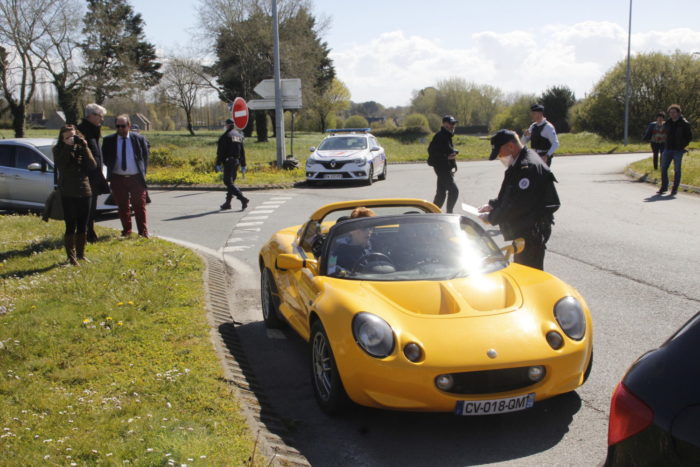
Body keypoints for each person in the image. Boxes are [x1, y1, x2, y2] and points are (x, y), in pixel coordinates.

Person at [477, 129, 560, 270]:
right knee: (522, 268)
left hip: (532, 231)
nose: (499, 156)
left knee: (529, 273)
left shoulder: (526, 167)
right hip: (525, 229)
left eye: (500, 152)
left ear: (510, 146)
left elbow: (518, 204)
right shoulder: (520, 161)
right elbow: (511, 193)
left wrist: (492, 217)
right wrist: (493, 205)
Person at [53, 125, 97, 265]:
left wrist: (84, 146)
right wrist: (67, 147)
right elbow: (61, 165)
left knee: (83, 225)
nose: (71, 139)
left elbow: (92, 165)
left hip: (84, 190)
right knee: (70, 224)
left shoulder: (81, 148)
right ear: (62, 138)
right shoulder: (58, 149)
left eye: (73, 136)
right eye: (67, 137)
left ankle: (81, 254)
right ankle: (71, 257)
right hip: (68, 192)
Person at [102, 114, 151, 238]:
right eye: (117, 126)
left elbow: (144, 157)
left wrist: (142, 173)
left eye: (123, 126)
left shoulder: (139, 139)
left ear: (129, 126)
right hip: (118, 178)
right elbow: (106, 158)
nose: (120, 129)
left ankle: (143, 232)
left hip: (136, 178)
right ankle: (126, 231)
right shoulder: (109, 140)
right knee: (123, 206)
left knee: (139, 206)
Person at [77, 103, 111, 243]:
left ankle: (90, 233)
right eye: (100, 116)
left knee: (92, 209)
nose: (102, 119)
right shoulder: (81, 131)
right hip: (86, 177)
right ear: (91, 115)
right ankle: (83, 235)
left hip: (95, 176)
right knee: (85, 209)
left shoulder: (94, 131)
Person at [658, 104, 692, 196]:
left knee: (677, 170)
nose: (672, 114)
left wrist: (682, 146)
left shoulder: (684, 123)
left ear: (678, 113)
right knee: (663, 168)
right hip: (667, 149)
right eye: (670, 112)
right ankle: (664, 187)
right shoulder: (667, 123)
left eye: (674, 112)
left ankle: (674, 189)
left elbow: (689, 137)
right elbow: (664, 134)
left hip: (678, 150)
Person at [427, 115, 459, 213]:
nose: (453, 125)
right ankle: (449, 213)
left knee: (441, 194)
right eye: (451, 123)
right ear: (445, 124)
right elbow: (431, 152)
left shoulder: (447, 135)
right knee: (454, 191)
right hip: (441, 168)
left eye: (454, 123)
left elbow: (446, 150)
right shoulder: (440, 136)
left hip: (445, 168)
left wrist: (452, 154)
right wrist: (446, 157)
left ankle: (431, 214)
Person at [216, 118, 249, 210]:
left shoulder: (225, 136)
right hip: (236, 162)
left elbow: (220, 152)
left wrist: (218, 163)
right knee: (231, 183)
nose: (224, 126)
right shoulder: (238, 136)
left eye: (225, 124)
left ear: (227, 125)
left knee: (227, 182)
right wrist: (243, 164)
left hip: (228, 162)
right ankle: (228, 203)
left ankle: (242, 198)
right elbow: (242, 152)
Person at [330, 207, 377, 272]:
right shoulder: (337, 251)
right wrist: (345, 273)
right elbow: (330, 267)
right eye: (364, 228)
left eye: (371, 228)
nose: (369, 231)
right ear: (351, 230)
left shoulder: (376, 246)